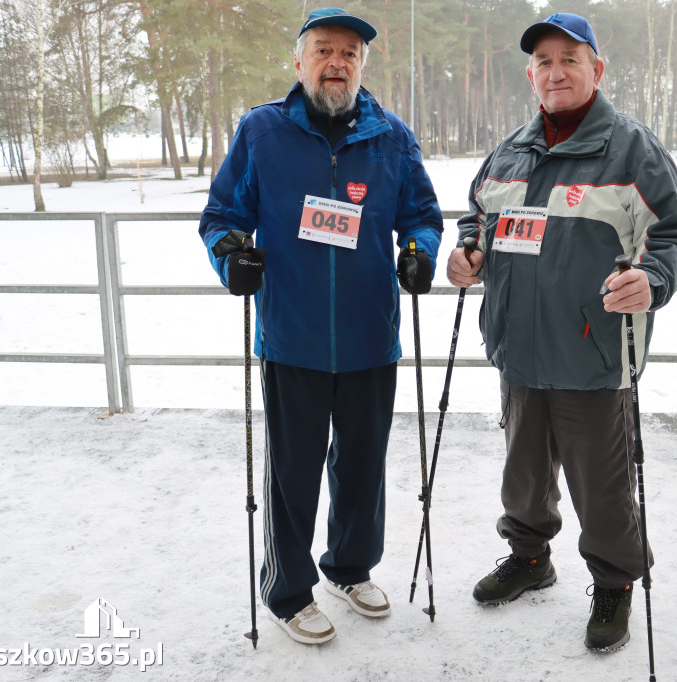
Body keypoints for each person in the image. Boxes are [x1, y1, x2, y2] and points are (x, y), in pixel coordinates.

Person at [446, 12, 677, 652]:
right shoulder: (510, 150)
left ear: (596, 70)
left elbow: (673, 235)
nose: (556, 72)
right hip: (518, 348)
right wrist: (470, 251)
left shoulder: (632, 148)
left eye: (570, 59)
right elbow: (478, 218)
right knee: (523, 472)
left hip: (593, 353)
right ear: (531, 75)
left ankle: (614, 580)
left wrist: (655, 279)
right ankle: (530, 557)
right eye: (544, 63)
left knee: (602, 484)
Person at [198, 7, 443, 645]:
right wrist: (233, 254)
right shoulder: (263, 131)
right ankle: (287, 590)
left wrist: (418, 252)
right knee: (293, 472)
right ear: (300, 60)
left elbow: (421, 213)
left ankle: (349, 565)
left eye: (351, 54)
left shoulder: (389, 136)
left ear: (362, 66)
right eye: (326, 50)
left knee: (363, 466)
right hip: (293, 335)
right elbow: (223, 213)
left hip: (369, 336)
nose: (338, 63)